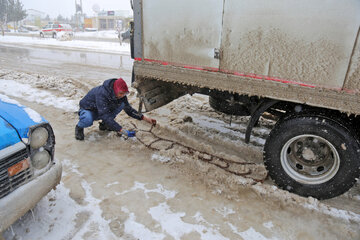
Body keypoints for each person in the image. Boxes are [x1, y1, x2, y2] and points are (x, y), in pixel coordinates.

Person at [75, 78, 156, 140]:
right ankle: (79, 127)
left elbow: (129, 110)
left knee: (122, 105)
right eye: (121, 93)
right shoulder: (102, 93)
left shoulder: (121, 95)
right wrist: (121, 130)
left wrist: (145, 118)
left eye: (125, 93)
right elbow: (105, 115)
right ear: (116, 89)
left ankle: (104, 125)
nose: (122, 95)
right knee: (87, 120)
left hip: (103, 110)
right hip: (89, 110)